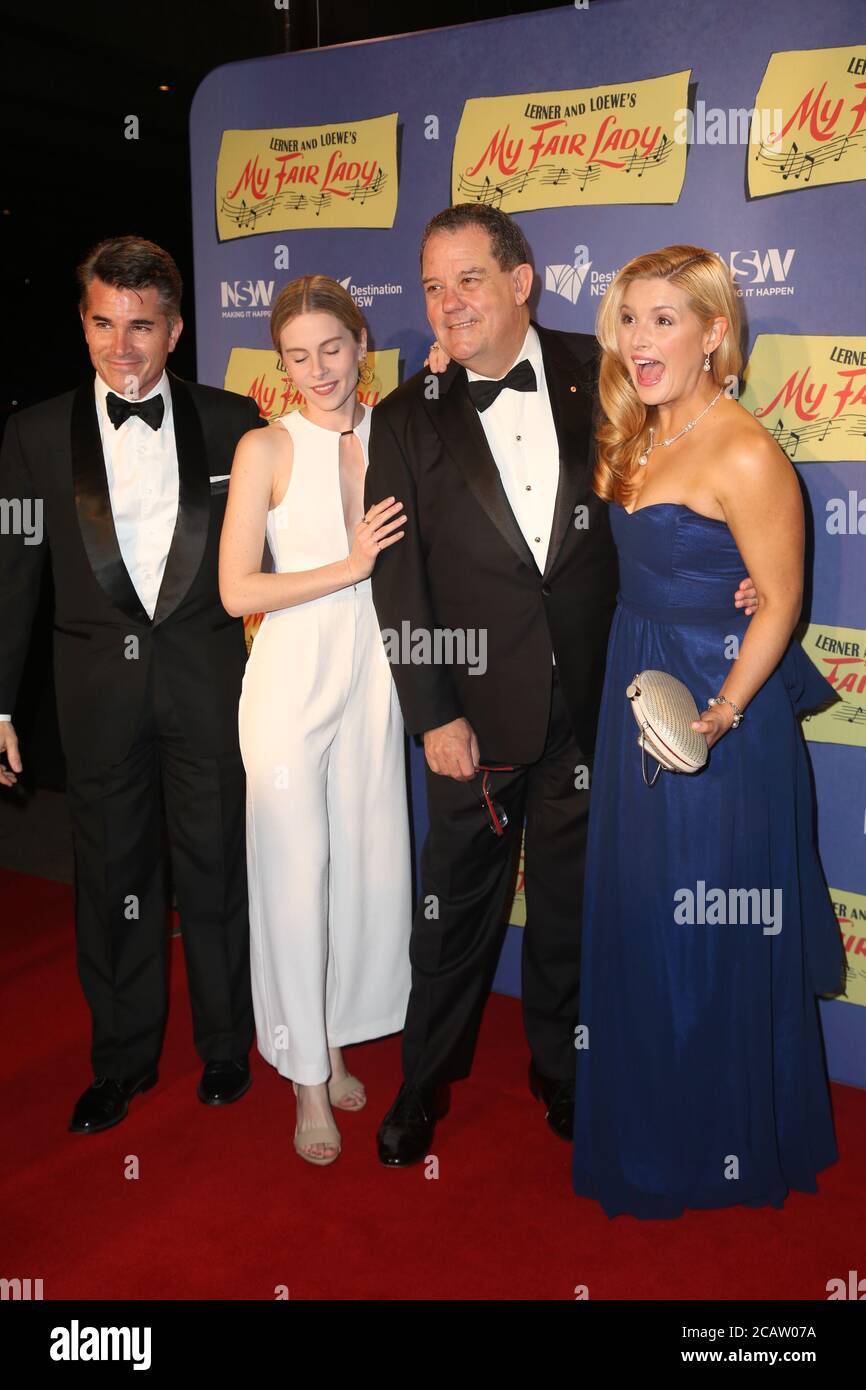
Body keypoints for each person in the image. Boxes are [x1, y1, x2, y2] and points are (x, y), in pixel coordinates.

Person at [364, 205, 759, 1166]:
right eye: (431, 286)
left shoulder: (609, 369)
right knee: (454, 915)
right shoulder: (405, 414)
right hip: (472, 718)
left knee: (573, 913)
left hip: (597, 700)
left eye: (468, 279)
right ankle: (423, 1083)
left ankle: (564, 1074)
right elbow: (396, 577)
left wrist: (735, 567)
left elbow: (690, 466)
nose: (448, 304)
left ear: (522, 280)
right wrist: (433, 715)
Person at [571, 244, 845, 1219]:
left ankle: (709, 1144)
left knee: (704, 927)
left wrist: (717, 714)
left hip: (713, 724)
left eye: (662, 320)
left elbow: (778, 602)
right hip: (633, 692)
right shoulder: (634, 432)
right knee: (645, 919)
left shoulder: (742, 448)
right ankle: (647, 1126)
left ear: (713, 332)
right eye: (627, 319)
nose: (637, 340)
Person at [0, 236, 264, 1132]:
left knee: (217, 867)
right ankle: (121, 1059)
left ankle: (227, 1047)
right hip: (97, 698)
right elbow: (14, 574)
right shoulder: (33, 434)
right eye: (105, 324)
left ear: (176, 329)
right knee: (113, 874)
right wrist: (1, 701)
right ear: (83, 325)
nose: (123, 347)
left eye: (142, 327)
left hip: (208, 684)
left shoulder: (236, 422)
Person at [219, 275, 412, 1166]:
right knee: (294, 880)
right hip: (290, 678)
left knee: (360, 871)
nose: (318, 370)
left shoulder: (396, 431)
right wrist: (349, 564)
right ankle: (303, 1079)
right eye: (297, 355)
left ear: (359, 341)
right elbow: (236, 592)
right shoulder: (265, 446)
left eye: (331, 348)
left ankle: (333, 1039)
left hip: (372, 671)